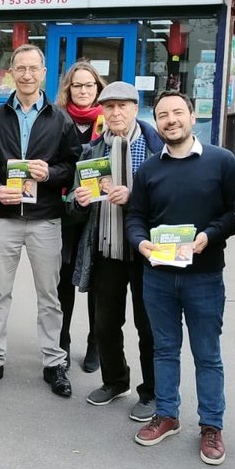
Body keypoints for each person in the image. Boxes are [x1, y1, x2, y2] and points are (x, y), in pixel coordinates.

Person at [126, 90, 235, 465]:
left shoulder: (222, 162)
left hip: (204, 276)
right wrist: (141, 244)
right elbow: (136, 217)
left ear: (193, 117)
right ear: (156, 122)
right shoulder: (149, 170)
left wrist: (211, 235)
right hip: (157, 275)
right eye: (162, 115)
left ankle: (211, 425)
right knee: (164, 348)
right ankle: (167, 413)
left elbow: (234, 212)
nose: (170, 120)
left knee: (207, 354)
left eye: (178, 112)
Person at [0, 44, 80, 398]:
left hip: (45, 219)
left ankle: (54, 363)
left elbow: (73, 165)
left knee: (49, 296)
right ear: (11, 72)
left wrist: (50, 173)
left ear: (44, 73)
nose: (27, 75)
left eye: (33, 68)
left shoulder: (59, 118)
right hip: (4, 218)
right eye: (20, 68)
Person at [68, 81, 163, 422]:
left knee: (148, 325)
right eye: (109, 107)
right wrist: (78, 202)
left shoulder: (156, 148)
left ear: (136, 109)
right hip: (106, 249)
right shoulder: (92, 151)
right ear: (102, 112)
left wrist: (134, 197)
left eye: (123, 106)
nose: (116, 112)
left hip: (146, 253)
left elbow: (170, 200)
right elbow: (72, 203)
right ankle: (114, 381)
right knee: (106, 323)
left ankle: (151, 392)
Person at [56, 60, 106, 373]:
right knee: (63, 278)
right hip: (65, 210)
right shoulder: (57, 120)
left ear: (98, 88)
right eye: (78, 85)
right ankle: (61, 341)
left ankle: (95, 343)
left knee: (98, 280)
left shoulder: (110, 119)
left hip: (101, 212)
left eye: (89, 85)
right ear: (68, 89)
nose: (84, 90)